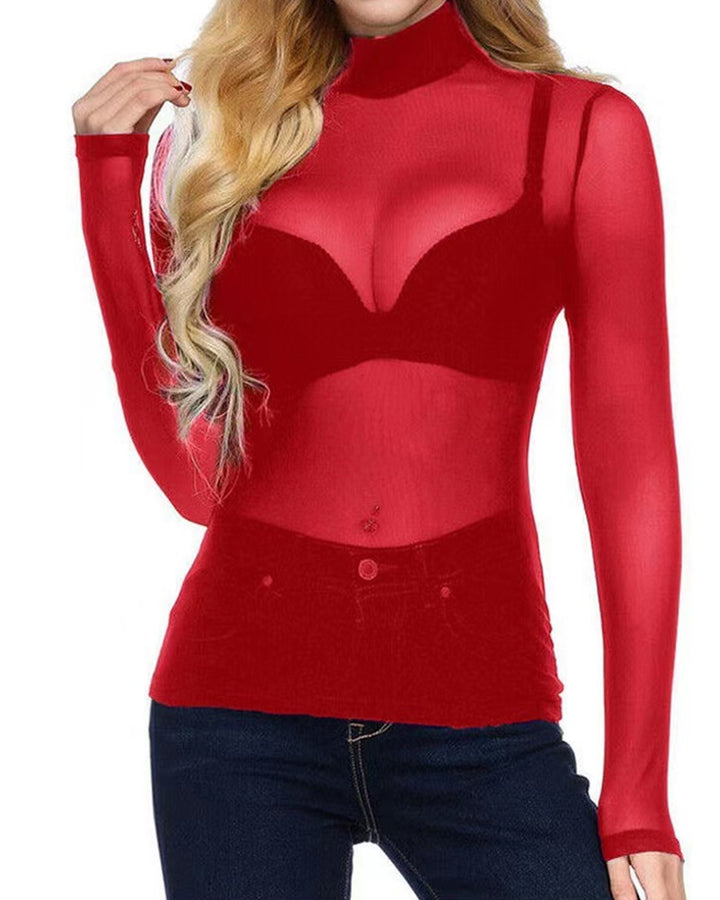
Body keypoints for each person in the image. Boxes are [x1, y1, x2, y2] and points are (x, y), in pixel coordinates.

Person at [72, 1, 687, 897]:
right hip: (235, 715)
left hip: (484, 716)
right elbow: (196, 483)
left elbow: (632, 471)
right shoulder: (222, 140)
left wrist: (639, 794)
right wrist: (107, 179)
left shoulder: (580, 128)